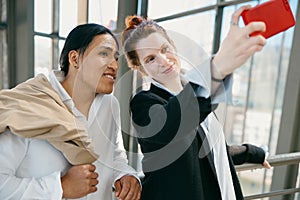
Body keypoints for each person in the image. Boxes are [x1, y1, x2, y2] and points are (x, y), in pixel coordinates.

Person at [121, 5, 270, 200]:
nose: (164, 60)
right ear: (141, 69)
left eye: (165, 49)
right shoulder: (144, 104)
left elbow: (211, 151)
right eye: (150, 59)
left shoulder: (199, 97)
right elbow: (172, 125)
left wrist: (253, 153)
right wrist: (216, 69)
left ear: (173, 46)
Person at [0, 23, 141, 200]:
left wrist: (125, 174)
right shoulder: (29, 107)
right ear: (74, 59)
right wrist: (60, 188)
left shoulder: (110, 105)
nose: (114, 65)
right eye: (104, 54)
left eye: (115, 57)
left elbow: (114, 155)